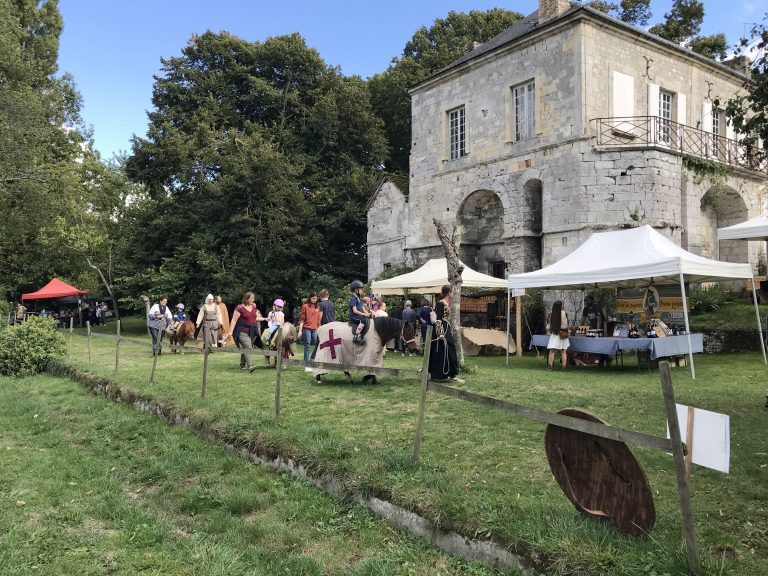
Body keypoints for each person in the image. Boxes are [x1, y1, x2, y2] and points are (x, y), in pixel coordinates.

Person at [428, 285, 461, 382]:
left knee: (450, 351)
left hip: (447, 328)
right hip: (442, 330)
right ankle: (442, 375)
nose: (453, 294)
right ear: (449, 293)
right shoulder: (440, 303)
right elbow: (438, 319)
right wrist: (440, 333)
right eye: (452, 292)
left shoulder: (447, 303)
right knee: (444, 351)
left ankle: (451, 375)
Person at [227, 292, 265, 371]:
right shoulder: (240, 307)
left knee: (245, 347)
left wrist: (265, 319)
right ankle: (250, 365)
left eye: (254, 298)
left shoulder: (254, 308)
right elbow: (234, 320)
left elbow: (255, 318)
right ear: (247, 298)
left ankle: (242, 365)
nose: (253, 300)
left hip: (253, 332)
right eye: (252, 298)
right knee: (248, 346)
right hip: (241, 331)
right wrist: (230, 332)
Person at [298, 292, 322, 365]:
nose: (314, 300)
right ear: (310, 298)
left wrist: (319, 328)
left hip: (315, 329)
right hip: (306, 328)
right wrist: (300, 331)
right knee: (307, 345)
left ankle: (312, 359)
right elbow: (302, 319)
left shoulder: (318, 307)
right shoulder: (305, 306)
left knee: (318, 343)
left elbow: (318, 319)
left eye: (316, 298)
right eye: (313, 298)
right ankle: (306, 364)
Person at [546, 300, 569, 371]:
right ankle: (564, 367)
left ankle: (550, 367)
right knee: (563, 351)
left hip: (555, 334)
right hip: (563, 334)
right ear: (561, 306)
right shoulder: (565, 314)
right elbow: (566, 325)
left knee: (552, 351)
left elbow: (548, 326)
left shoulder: (551, 314)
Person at [348, 280, 370, 345]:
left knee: (367, 319)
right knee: (362, 321)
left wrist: (367, 313)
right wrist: (363, 314)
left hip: (358, 316)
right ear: (356, 290)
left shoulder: (358, 298)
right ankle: (356, 336)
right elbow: (354, 311)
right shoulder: (353, 299)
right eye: (361, 289)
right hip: (354, 317)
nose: (362, 291)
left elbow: (362, 307)